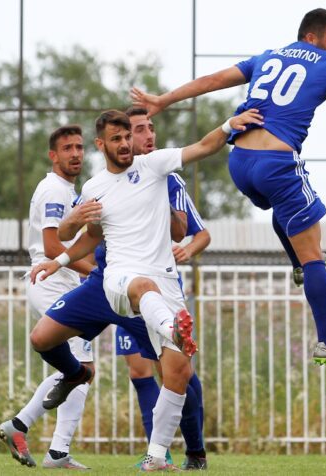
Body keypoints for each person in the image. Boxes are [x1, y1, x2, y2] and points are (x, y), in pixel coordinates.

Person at [130, 8, 326, 371]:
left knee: (283, 210)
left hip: (239, 163)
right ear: (312, 37)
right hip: (277, 164)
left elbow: (213, 80)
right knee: (315, 255)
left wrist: (163, 100)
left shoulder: (267, 57)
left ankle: (296, 265)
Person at [29, 108, 262, 471]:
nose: (125, 144)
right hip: (119, 279)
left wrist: (228, 125)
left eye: (128, 137)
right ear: (101, 144)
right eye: (117, 139)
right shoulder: (94, 188)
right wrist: (58, 259)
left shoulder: (154, 166)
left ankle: (157, 456)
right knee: (44, 338)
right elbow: (87, 237)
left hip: (165, 285)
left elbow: (204, 146)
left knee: (179, 373)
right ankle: (167, 331)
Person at [113, 107, 211, 469]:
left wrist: (185, 245)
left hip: (161, 291)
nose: (149, 135)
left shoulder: (167, 176)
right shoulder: (105, 181)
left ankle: (195, 451)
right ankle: (158, 452)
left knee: (177, 372)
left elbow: (193, 233)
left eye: (150, 128)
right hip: (122, 290)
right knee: (139, 372)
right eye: (139, 129)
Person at [0, 125, 95, 470]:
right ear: (53, 155)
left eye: (79, 147)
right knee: (82, 370)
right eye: (67, 148)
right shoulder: (54, 189)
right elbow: (52, 247)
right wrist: (95, 272)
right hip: (52, 281)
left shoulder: (67, 189)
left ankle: (29, 432)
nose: (75, 153)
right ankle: (50, 448)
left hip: (60, 281)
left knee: (81, 370)